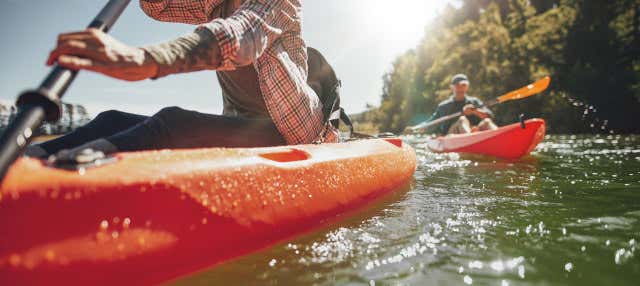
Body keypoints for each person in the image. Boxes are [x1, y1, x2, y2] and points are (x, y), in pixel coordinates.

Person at [25, 0, 338, 160]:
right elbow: (158, 6)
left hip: (291, 134)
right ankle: (29, 159)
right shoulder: (213, 3)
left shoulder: (281, 3)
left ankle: (71, 173)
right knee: (110, 119)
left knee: (173, 123)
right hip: (241, 128)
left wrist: (143, 59)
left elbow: (242, 34)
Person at [420, 74, 497, 135]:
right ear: (452, 87)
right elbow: (432, 122)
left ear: (467, 87)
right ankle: (470, 138)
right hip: (451, 135)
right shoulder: (443, 106)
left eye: (463, 85)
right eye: (457, 86)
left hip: (474, 131)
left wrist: (475, 111)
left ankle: (499, 136)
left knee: (487, 121)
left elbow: (490, 116)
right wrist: (423, 126)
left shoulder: (474, 102)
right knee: (462, 119)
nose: (460, 88)